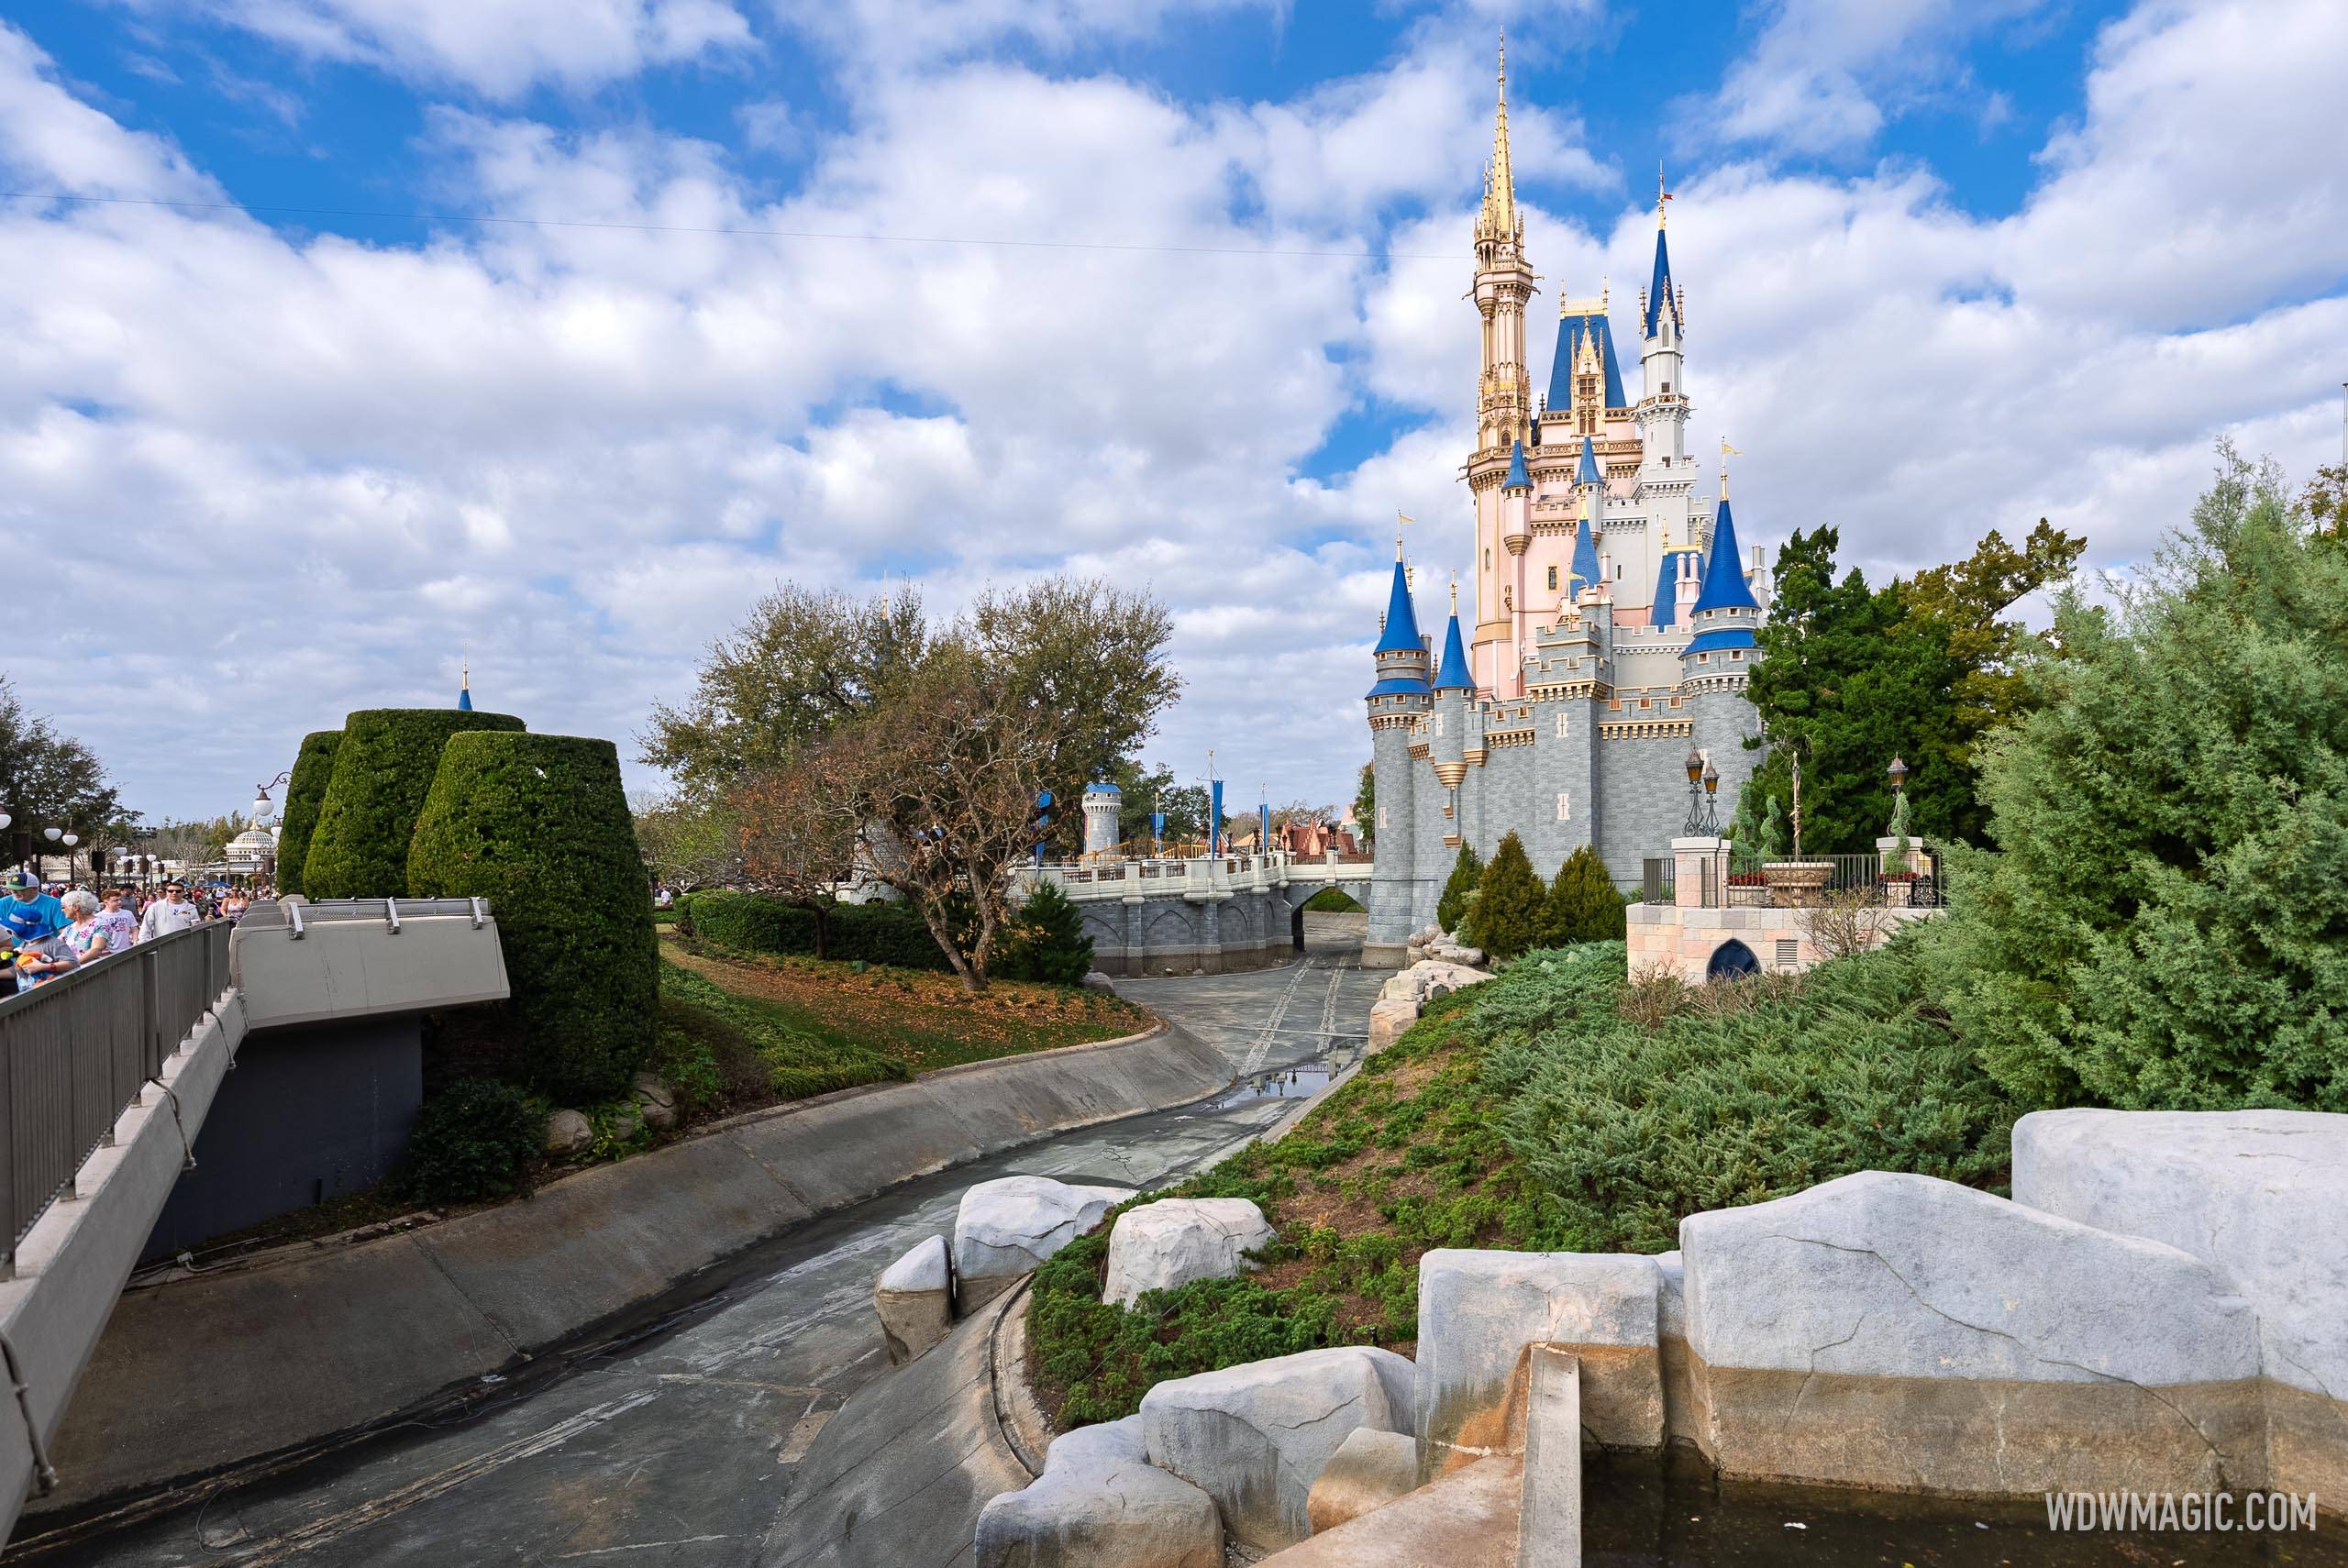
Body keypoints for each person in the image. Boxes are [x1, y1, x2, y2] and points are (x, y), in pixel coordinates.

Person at [2, 869, 65, 946]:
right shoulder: (3, 902)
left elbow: (64, 931)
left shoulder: (54, 903)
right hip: (11, 952)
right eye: (11, 888)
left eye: (20, 889)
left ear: (35, 889)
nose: (14, 892)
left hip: (45, 952)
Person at [138, 880, 205, 942]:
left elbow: (196, 929)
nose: (174, 893)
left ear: (183, 893)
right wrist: (144, 944)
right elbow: (145, 927)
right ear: (166, 892)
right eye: (171, 891)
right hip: (162, 946)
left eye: (178, 891)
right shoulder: (155, 907)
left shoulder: (192, 908)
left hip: (184, 946)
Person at [94, 888, 137, 952]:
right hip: (107, 954)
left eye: (120, 899)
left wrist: (135, 942)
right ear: (106, 902)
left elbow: (134, 929)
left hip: (126, 950)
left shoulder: (128, 913)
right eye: (115, 900)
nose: (119, 902)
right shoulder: (98, 917)